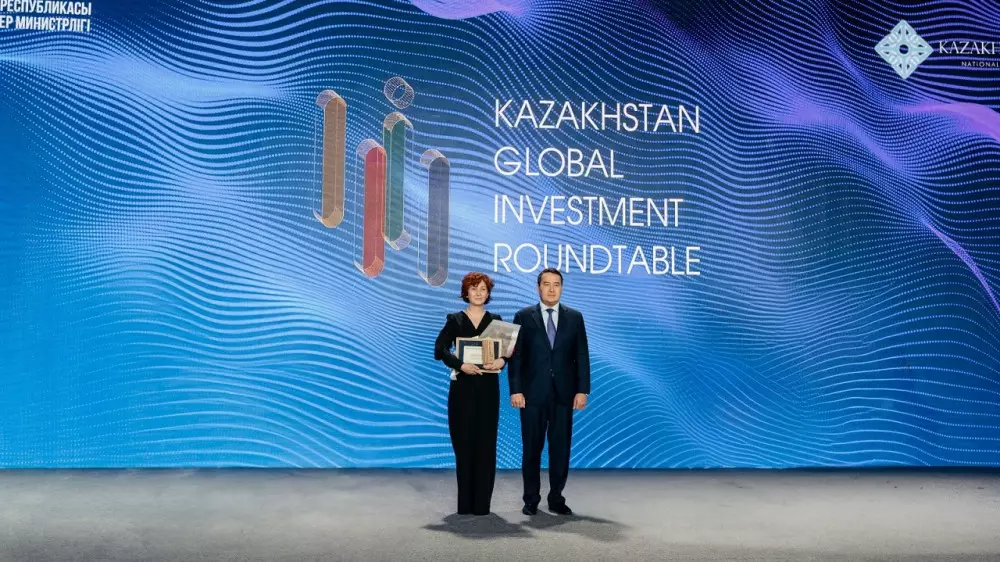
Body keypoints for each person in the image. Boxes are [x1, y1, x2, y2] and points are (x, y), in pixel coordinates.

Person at [508, 267, 590, 516]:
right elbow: (516, 358)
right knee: (531, 449)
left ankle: (556, 498)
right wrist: (516, 390)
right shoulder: (523, 316)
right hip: (532, 395)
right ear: (538, 288)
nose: (552, 289)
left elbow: (581, 356)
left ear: (561, 288)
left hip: (564, 395)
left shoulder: (575, 317)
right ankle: (531, 499)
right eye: (547, 284)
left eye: (557, 284)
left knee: (560, 450)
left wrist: (582, 390)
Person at [434, 272, 507, 516]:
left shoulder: (495, 321)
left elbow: (505, 353)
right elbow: (439, 349)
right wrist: (460, 364)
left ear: (488, 293)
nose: (478, 293)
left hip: (488, 390)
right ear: (466, 292)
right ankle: (465, 505)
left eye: (483, 289)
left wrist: (501, 361)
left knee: (486, 445)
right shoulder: (455, 319)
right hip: (462, 389)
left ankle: (482, 505)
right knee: (463, 444)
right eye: (474, 288)